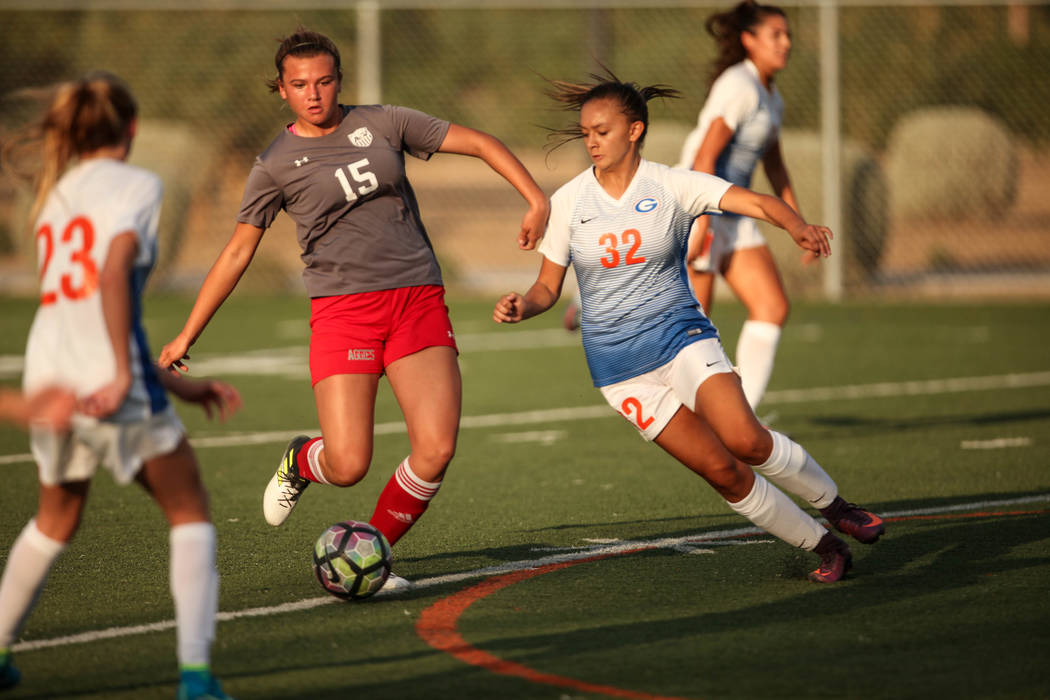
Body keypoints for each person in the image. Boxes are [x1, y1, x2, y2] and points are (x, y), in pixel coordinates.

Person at [156, 29, 549, 586]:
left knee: (434, 450)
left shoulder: (385, 122)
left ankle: (370, 553)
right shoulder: (273, 163)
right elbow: (239, 249)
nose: (313, 94)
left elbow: (483, 143)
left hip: (417, 300)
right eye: (299, 85)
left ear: (339, 80)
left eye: (323, 80)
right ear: (282, 90)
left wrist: (535, 199)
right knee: (347, 464)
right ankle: (301, 459)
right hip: (344, 314)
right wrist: (186, 336)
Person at [493, 72, 884, 583]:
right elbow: (547, 287)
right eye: (585, 131)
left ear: (635, 131)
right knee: (722, 471)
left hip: (681, 340)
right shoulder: (568, 201)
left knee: (745, 440)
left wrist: (797, 227)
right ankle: (826, 546)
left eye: (602, 130)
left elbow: (757, 202)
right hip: (620, 372)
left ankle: (837, 508)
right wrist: (523, 304)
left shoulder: (672, 185)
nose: (590, 140)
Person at [0, 72, 241, 699]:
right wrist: (121, 373)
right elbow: (111, 278)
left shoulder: (56, 193)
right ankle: (195, 677)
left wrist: (178, 386)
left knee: (55, 517)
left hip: (49, 371)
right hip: (107, 378)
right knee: (188, 510)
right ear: (131, 129)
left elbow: (84, 302)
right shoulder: (138, 184)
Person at [674, 0, 805, 414]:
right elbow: (704, 159)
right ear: (749, 40)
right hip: (700, 206)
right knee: (694, 323)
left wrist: (798, 225)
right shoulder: (739, 85)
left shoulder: (771, 96)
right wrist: (703, 223)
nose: (785, 43)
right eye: (775, 35)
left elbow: (775, 165)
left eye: (787, 35)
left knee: (772, 307)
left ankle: (741, 416)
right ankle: (589, 304)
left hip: (735, 213)